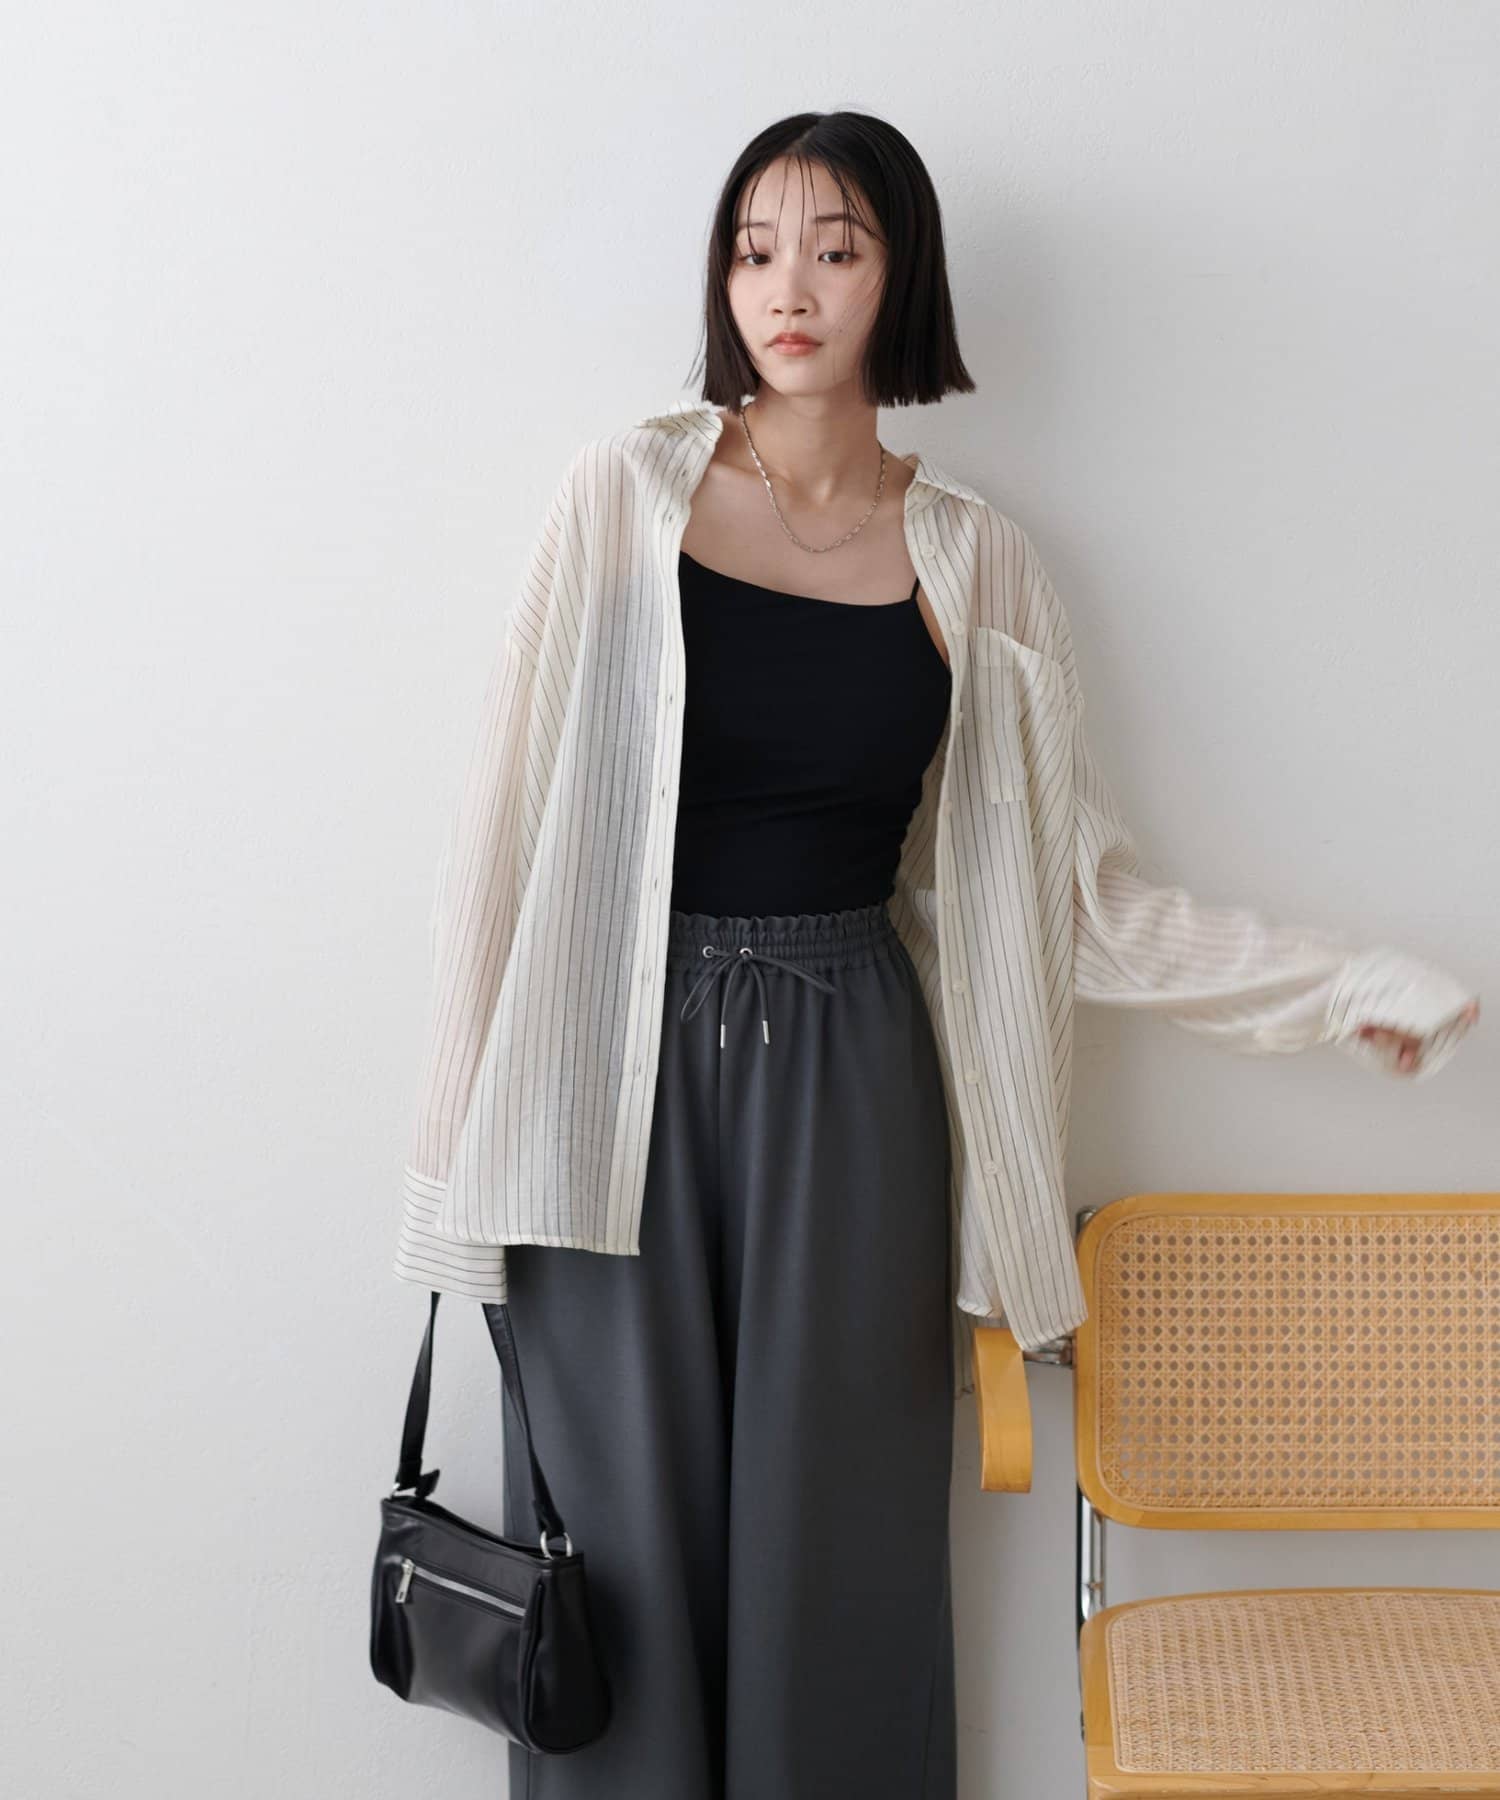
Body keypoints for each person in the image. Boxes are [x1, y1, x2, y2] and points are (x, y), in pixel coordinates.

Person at [392, 111, 1480, 1799]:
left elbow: (1075, 895)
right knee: (618, 1567)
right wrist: (453, 1181)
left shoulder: (979, 560)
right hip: (611, 1090)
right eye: (756, 249)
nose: (789, 289)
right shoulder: (621, 499)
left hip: (854, 1076)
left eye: (836, 248)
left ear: (902, 280)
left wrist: (1343, 990)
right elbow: (502, 846)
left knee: (839, 1567)